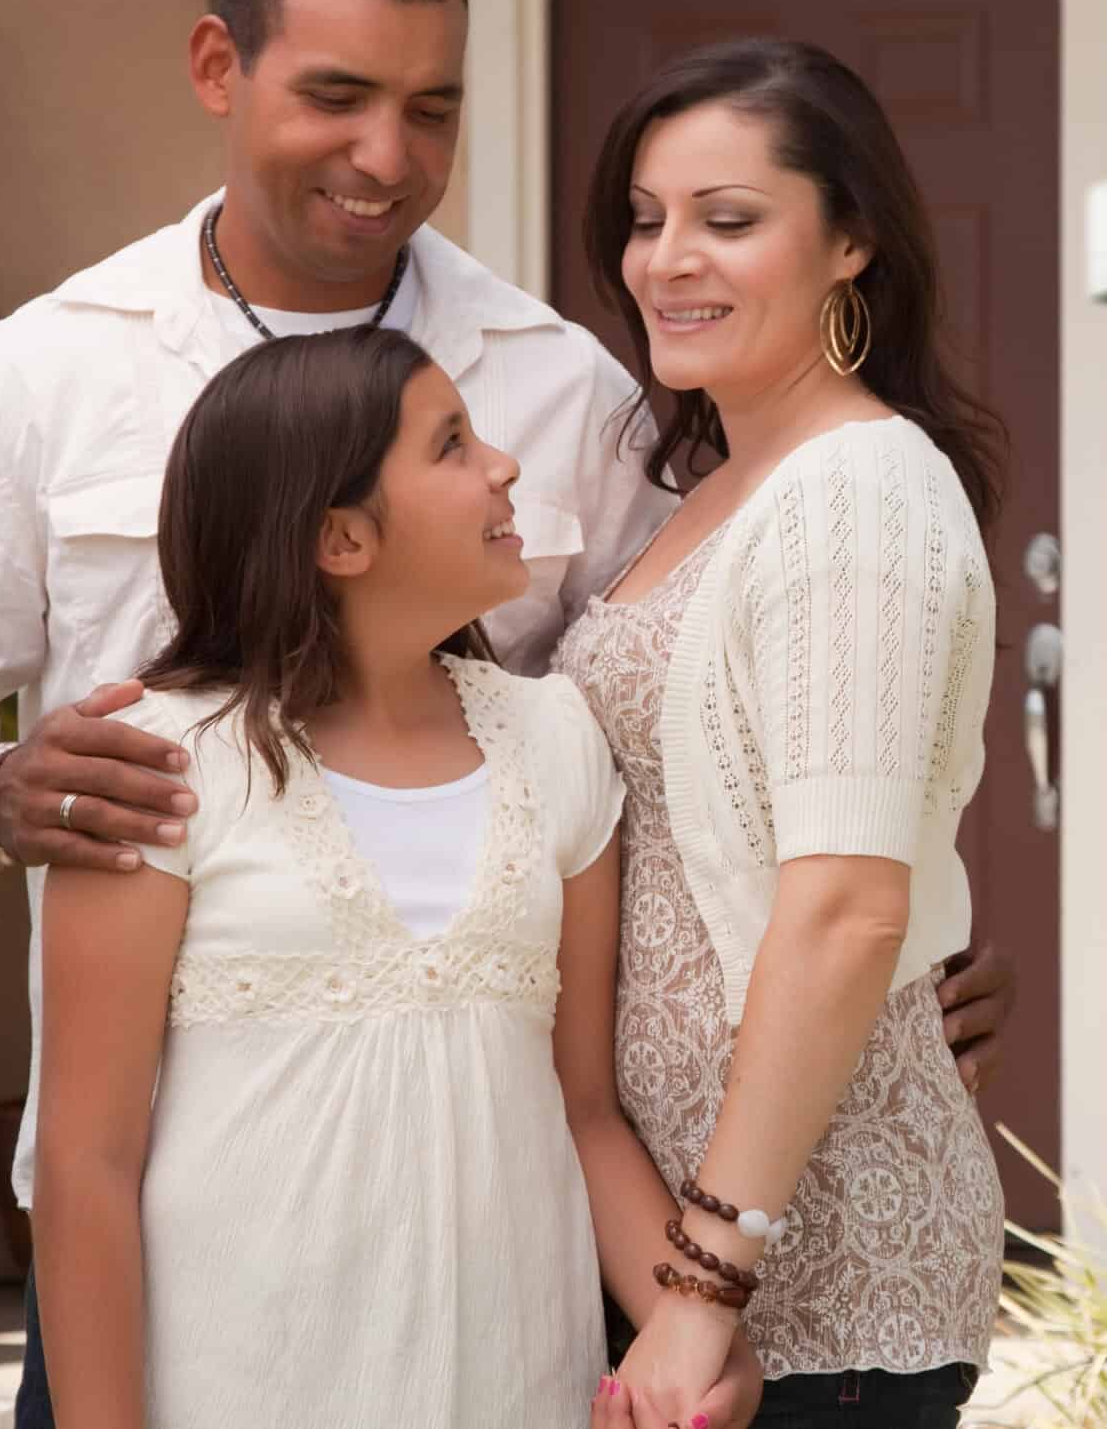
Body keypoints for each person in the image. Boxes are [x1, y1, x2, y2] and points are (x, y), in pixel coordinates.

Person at [0, 0, 1014, 1429]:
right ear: (218, 68)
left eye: (431, 107)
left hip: (519, 1230)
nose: (387, 155)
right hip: (181, 1226)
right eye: (337, 95)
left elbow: (754, 690)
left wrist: (898, 929)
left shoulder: (571, 382)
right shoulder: (41, 373)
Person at [37, 327, 747, 1427]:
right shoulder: (157, 765)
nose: (504, 465)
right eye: (452, 444)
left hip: (509, 1374)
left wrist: (693, 1318)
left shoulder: (553, 738)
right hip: (235, 1382)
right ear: (340, 537)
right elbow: (88, 1161)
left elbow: (587, 1107)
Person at [562, 39, 1004, 1429]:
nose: (666, 259)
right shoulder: (706, 486)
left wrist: (702, 1283)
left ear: (851, 240)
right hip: (688, 1261)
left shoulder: (857, 485)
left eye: (729, 219)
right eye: (646, 218)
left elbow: (847, 908)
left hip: (815, 1287)